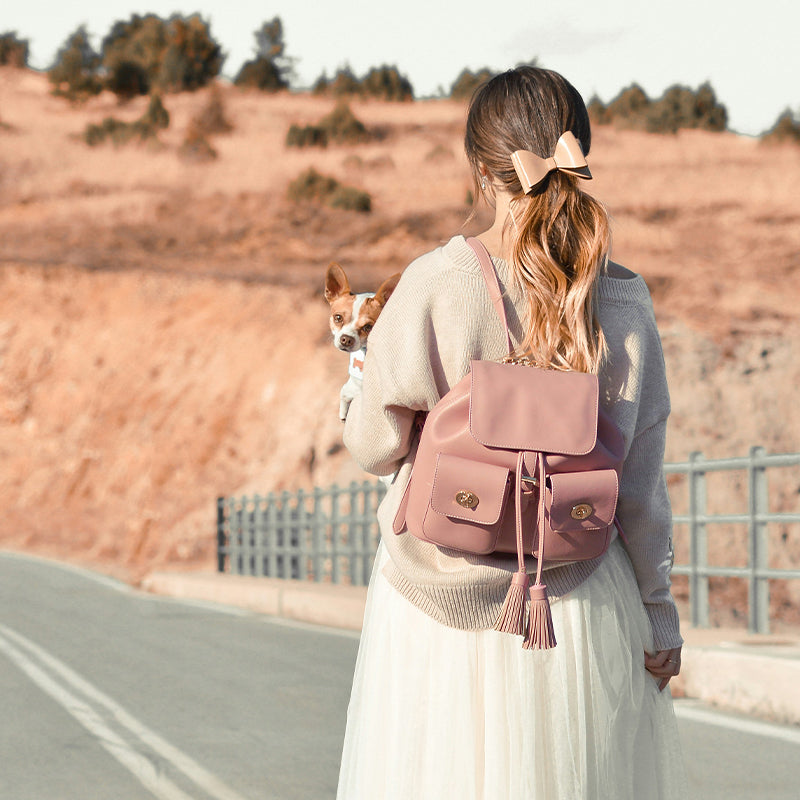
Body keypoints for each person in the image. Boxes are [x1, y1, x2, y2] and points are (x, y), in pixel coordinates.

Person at [337, 66, 687, 799]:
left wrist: (351, 394)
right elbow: (641, 484)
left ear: (479, 170)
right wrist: (657, 612)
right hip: (577, 603)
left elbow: (374, 447)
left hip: (439, 611)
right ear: (578, 153)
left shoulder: (436, 281)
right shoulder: (622, 298)